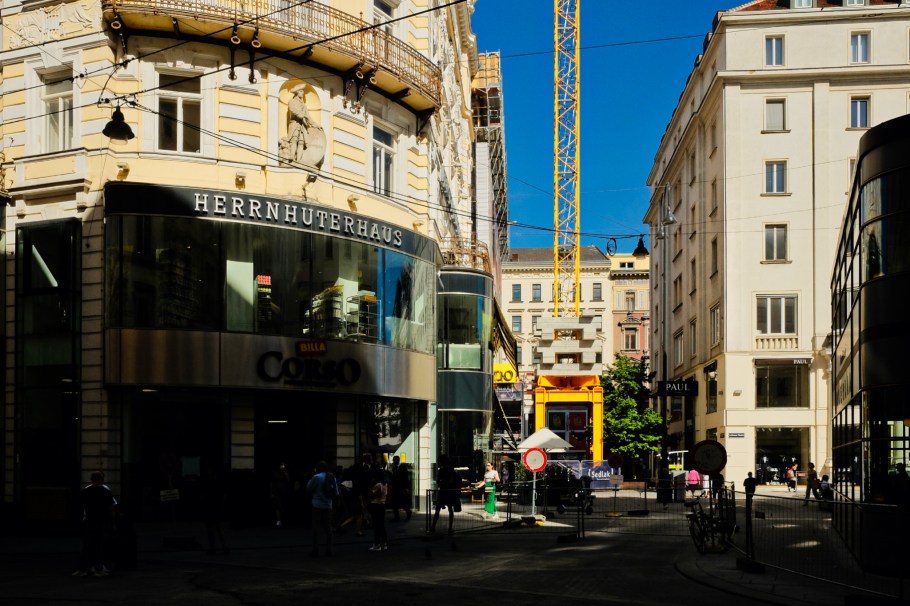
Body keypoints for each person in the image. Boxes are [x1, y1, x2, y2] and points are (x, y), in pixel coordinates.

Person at [72, 471, 117, 577]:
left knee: (87, 546)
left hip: (90, 521)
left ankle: (83, 569)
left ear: (91, 479)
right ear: (102, 479)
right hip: (103, 521)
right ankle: (98, 568)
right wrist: (114, 523)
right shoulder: (106, 492)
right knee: (100, 546)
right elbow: (111, 508)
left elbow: (81, 507)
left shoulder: (86, 491)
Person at [306, 461, 336, 557]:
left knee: (316, 528)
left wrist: (310, 479)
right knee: (328, 527)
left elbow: (308, 489)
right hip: (328, 505)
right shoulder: (331, 477)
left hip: (317, 505)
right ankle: (329, 549)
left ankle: (316, 550)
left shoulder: (316, 477)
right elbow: (336, 492)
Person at [200, 461, 230, 556]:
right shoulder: (219, 482)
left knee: (212, 529)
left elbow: (203, 495)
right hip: (215, 506)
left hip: (210, 506)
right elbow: (224, 495)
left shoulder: (208, 482)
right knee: (217, 528)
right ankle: (223, 546)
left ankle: (214, 548)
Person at [429, 454, 461, 535]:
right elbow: (447, 480)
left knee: (439, 509)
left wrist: (442, 483)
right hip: (448, 491)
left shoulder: (445, 470)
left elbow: (441, 481)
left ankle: (434, 527)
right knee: (449, 509)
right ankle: (449, 528)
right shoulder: (448, 469)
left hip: (445, 492)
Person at [367, 466, 388, 552]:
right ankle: (384, 543)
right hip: (382, 505)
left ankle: (377, 544)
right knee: (381, 525)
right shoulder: (385, 484)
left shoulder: (378, 485)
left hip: (376, 505)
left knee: (376, 525)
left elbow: (372, 494)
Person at [389, 455, 412, 522]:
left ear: (398, 460)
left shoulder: (403, 467)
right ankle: (397, 517)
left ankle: (408, 511)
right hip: (395, 488)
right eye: (393, 460)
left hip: (401, 488)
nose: (393, 461)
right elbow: (394, 477)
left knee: (401, 502)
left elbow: (406, 478)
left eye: (394, 460)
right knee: (394, 503)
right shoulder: (394, 468)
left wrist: (406, 488)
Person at [270, 462, 291, 527]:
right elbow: (271, 483)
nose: (282, 466)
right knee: (277, 506)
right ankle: (278, 521)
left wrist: (286, 475)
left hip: (284, 492)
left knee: (283, 506)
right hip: (276, 492)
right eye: (281, 465)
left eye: (283, 465)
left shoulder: (285, 473)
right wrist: (271, 492)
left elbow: (289, 481)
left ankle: (284, 521)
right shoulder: (274, 473)